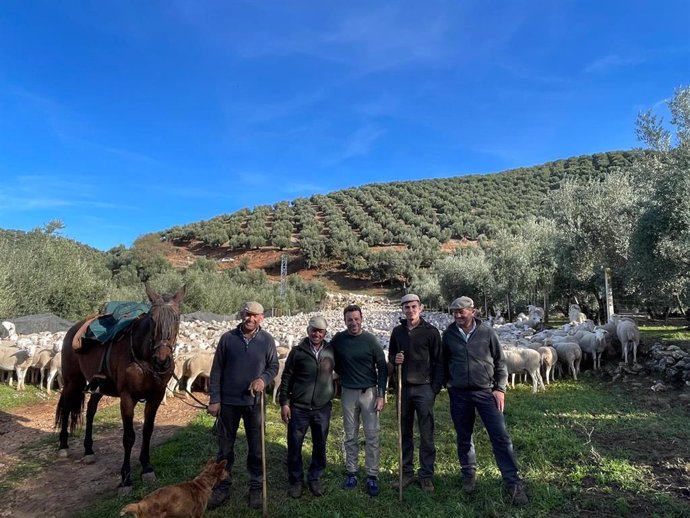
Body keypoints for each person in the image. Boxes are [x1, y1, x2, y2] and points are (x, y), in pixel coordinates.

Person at [441, 296, 529, 505]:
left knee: (500, 436)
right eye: (454, 312)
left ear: (472, 311)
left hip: (486, 392)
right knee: (464, 436)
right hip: (459, 393)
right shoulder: (449, 334)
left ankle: (512, 482)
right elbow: (443, 361)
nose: (457, 316)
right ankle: (468, 473)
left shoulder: (486, 332)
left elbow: (500, 361)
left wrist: (500, 388)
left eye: (461, 312)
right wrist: (448, 383)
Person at [207, 301, 279, 510]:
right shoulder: (227, 339)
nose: (250, 318)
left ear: (261, 318)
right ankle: (222, 486)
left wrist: (263, 380)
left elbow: (273, 366)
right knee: (225, 448)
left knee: (256, 448)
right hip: (228, 403)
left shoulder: (267, 341)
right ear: (242, 315)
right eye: (247, 314)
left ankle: (256, 487)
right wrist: (215, 399)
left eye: (255, 315)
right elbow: (217, 370)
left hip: (254, 403)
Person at [388, 293, 443, 493]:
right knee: (405, 432)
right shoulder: (397, 332)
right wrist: (396, 359)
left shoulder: (431, 332)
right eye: (406, 307)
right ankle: (406, 473)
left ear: (420, 308)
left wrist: (434, 388)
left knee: (426, 432)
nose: (410, 310)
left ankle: (426, 475)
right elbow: (392, 356)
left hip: (424, 389)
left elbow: (438, 361)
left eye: (413, 306)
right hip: (404, 388)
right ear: (402, 309)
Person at [331, 304, 388, 497]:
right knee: (350, 434)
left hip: (369, 393)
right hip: (348, 392)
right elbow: (329, 356)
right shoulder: (339, 339)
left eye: (356, 319)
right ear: (344, 321)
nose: (353, 323)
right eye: (349, 320)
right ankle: (352, 471)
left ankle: (372, 475)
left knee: (372, 435)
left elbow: (382, 366)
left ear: (361, 319)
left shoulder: (370, 340)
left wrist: (381, 394)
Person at [279, 315, 335, 498]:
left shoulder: (331, 350)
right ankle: (295, 481)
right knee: (294, 445)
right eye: (313, 330)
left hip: (322, 407)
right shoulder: (297, 352)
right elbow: (286, 377)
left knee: (320, 444)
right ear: (308, 330)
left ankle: (315, 477)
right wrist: (285, 403)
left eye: (320, 331)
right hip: (299, 407)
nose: (316, 334)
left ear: (325, 333)